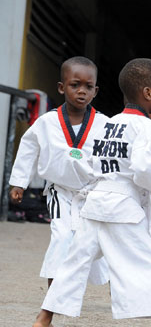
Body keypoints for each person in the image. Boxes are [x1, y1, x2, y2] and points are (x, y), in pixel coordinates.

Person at [32, 58, 151, 327]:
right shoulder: (147, 128)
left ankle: (44, 318)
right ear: (147, 93)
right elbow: (143, 168)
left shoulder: (110, 123)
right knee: (146, 265)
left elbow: (92, 165)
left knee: (74, 263)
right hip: (123, 209)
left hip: (96, 204)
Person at [8, 56, 109, 288]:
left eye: (88, 86)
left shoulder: (104, 124)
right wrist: (19, 183)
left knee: (92, 241)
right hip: (59, 191)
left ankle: (112, 282)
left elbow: (112, 158)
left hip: (91, 193)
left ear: (96, 91)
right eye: (75, 85)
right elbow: (27, 150)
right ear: (62, 88)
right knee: (62, 237)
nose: (82, 91)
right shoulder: (47, 122)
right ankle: (54, 293)